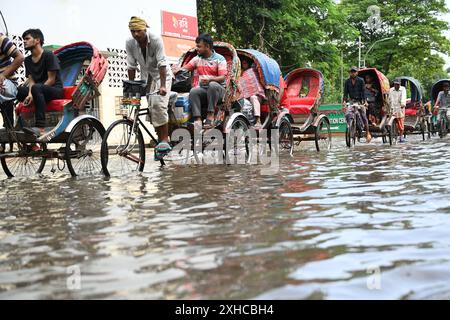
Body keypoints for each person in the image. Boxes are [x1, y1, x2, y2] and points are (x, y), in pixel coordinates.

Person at [126, 16, 173, 159]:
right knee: (150, 109)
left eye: (138, 31)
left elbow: (162, 64)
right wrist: (132, 86)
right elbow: (131, 66)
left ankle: (164, 140)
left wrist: (163, 86)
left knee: (158, 104)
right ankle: (159, 137)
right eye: (132, 31)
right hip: (146, 76)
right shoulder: (130, 43)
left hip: (161, 75)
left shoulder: (156, 39)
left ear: (145, 29)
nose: (135, 34)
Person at [172, 33, 227, 129]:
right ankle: (197, 119)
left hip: (219, 91)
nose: (196, 48)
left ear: (207, 46)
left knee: (213, 85)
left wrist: (211, 79)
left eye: (199, 46)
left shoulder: (220, 59)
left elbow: (222, 77)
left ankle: (210, 115)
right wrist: (176, 70)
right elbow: (186, 68)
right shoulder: (197, 59)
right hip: (204, 90)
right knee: (194, 90)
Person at [16, 29, 63, 137]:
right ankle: (23, 124)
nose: (24, 41)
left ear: (37, 40)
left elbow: (51, 79)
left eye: (27, 39)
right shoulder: (27, 60)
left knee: (37, 88)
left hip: (54, 89)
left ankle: (40, 127)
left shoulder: (48, 55)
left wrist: (35, 91)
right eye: (23, 39)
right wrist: (30, 95)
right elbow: (31, 80)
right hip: (38, 90)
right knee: (19, 91)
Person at [0, 33, 25, 129]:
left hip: (8, 83)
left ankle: (9, 123)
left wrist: (3, 75)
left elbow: (20, 57)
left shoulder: (1, 39)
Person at [343, 66, 372, 142]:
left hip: (360, 101)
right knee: (348, 114)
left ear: (357, 73)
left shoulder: (361, 80)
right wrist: (344, 101)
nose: (353, 73)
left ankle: (367, 133)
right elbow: (345, 93)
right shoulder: (347, 81)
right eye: (351, 72)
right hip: (351, 101)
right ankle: (351, 127)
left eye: (354, 72)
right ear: (350, 73)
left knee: (363, 116)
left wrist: (365, 101)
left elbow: (363, 92)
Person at [239, 57, 265, 129]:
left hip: (257, 95)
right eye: (243, 62)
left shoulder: (254, 71)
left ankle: (258, 120)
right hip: (243, 96)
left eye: (245, 62)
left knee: (253, 98)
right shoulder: (240, 73)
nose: (244, 63)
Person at [389, 79, 407, 143]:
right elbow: (389, 98)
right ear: (394, 84)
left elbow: (403, 97)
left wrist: (402, 104)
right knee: (390, 121)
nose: (397, 86)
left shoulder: (403, 89)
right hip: (392, 108)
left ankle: (401, 137)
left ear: (400, 84)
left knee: (401, 124)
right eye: (395, 84)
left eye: (398, 84)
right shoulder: (391, 90)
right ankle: (391, 133)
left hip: (400, 108)